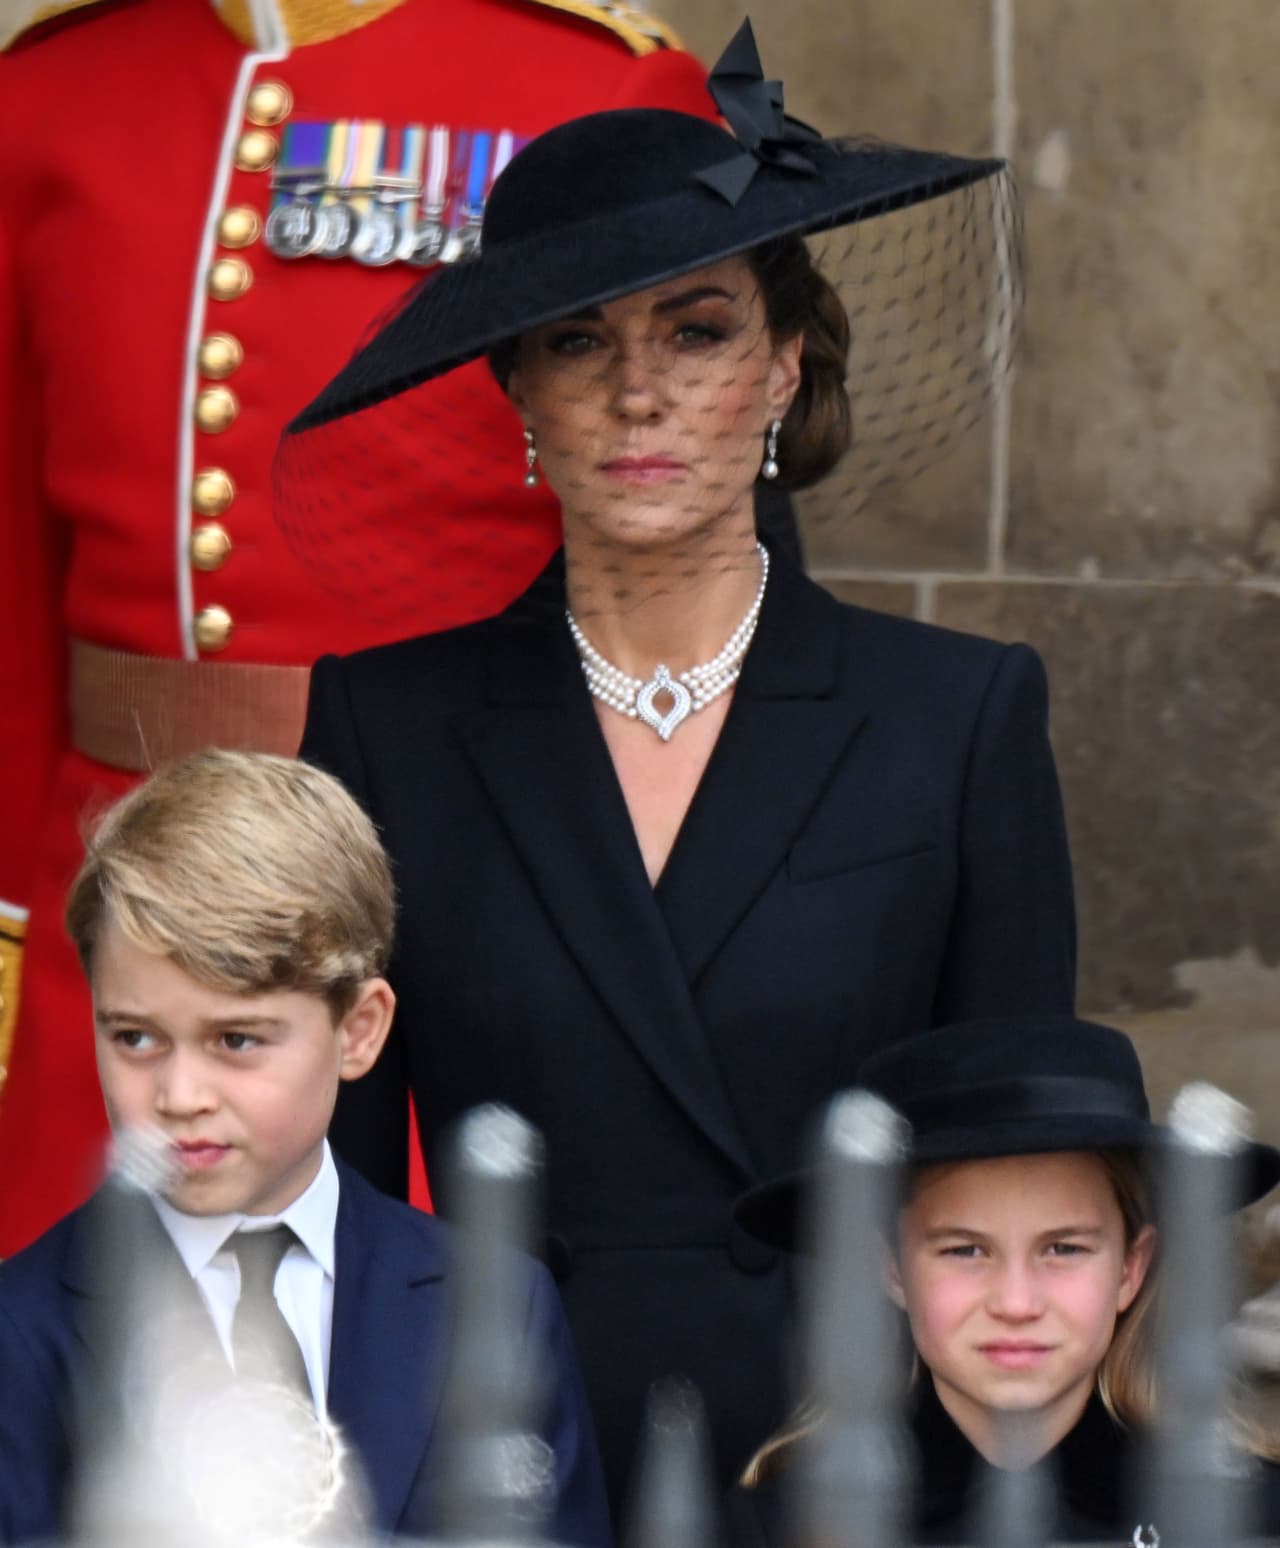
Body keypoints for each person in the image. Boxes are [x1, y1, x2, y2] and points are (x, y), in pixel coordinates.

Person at [290, 22, 1077, 1504]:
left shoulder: (957, 718)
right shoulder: (385, 726)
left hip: (848, 1466)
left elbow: (1019, 1183)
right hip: (494, 1457)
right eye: (582, 340)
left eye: (697, 329)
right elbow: (329, 1196)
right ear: (519, 388)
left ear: (783, 367)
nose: (637, 393)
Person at [0, 0, 748, 1259]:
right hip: (111, 908)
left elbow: (673, 559)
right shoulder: (54, 93)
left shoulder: (591, 86)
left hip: (448, 887)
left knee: (424, 1387)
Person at [0, 751, 610, 1546]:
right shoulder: (17, 1328)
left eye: (237, 1039)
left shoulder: (495, 1305)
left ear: (359, 1030)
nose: (180, 1095)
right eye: (136, 1037)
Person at [731, 1015, 1280, 1545]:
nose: (1017, 1303)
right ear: (893, 1269)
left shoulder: (1251, 1515)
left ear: (1131, 1269)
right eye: (965, 1250)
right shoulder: (780, 1528)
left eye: (1064, 1248)